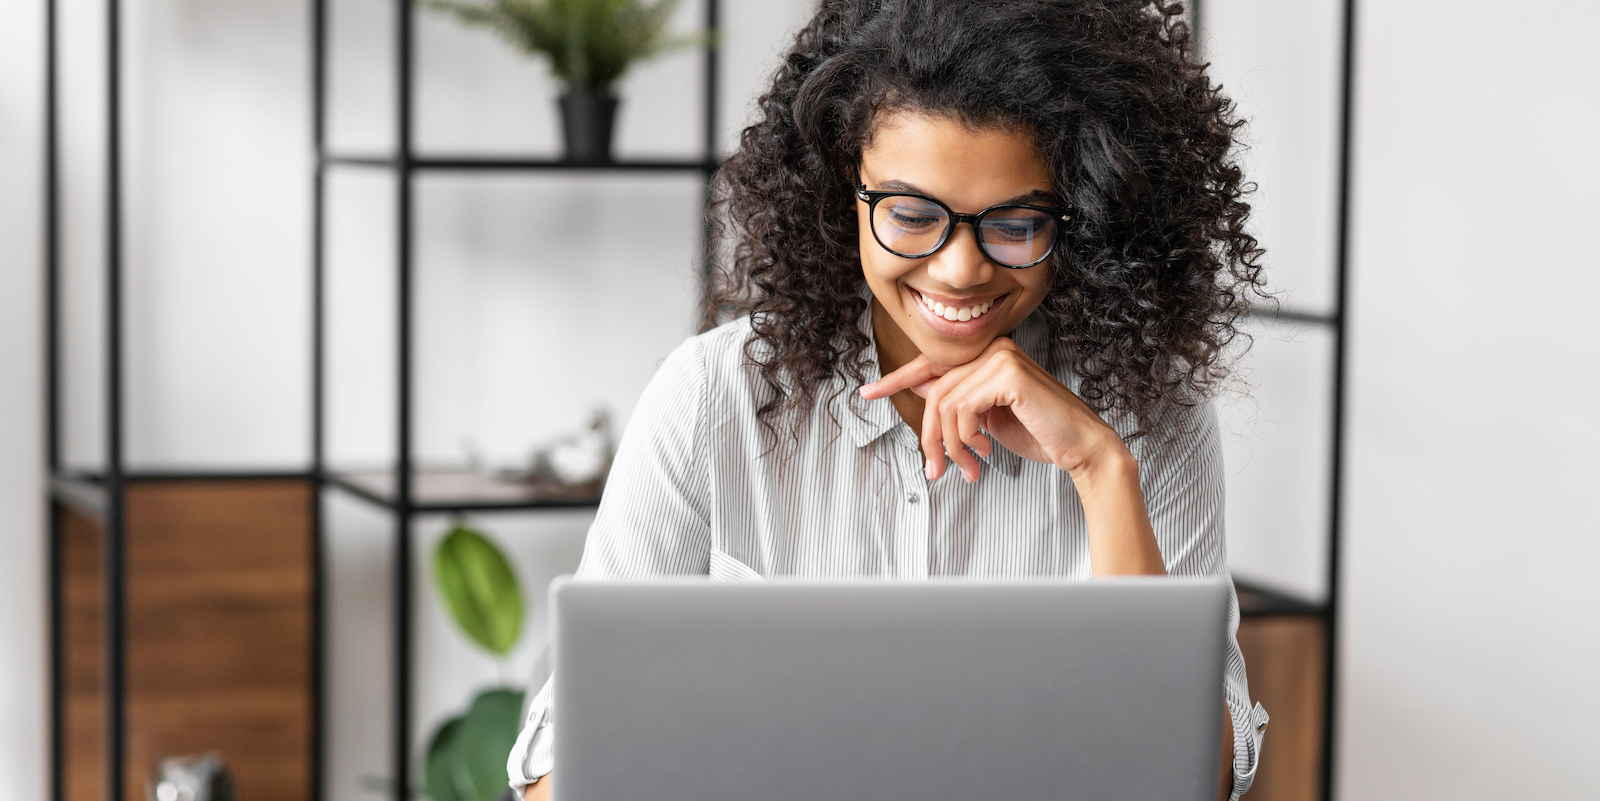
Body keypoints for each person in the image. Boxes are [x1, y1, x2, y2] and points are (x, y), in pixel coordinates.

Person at [510, 1, 1271, 798]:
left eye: (1014, 223)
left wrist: (1098, 465)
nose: (960, 271)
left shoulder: (1149, 414)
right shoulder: (714, 398)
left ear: (1080, 212)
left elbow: (1190, 779)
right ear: (848, 190)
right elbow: (558, 773)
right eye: (913, 216)